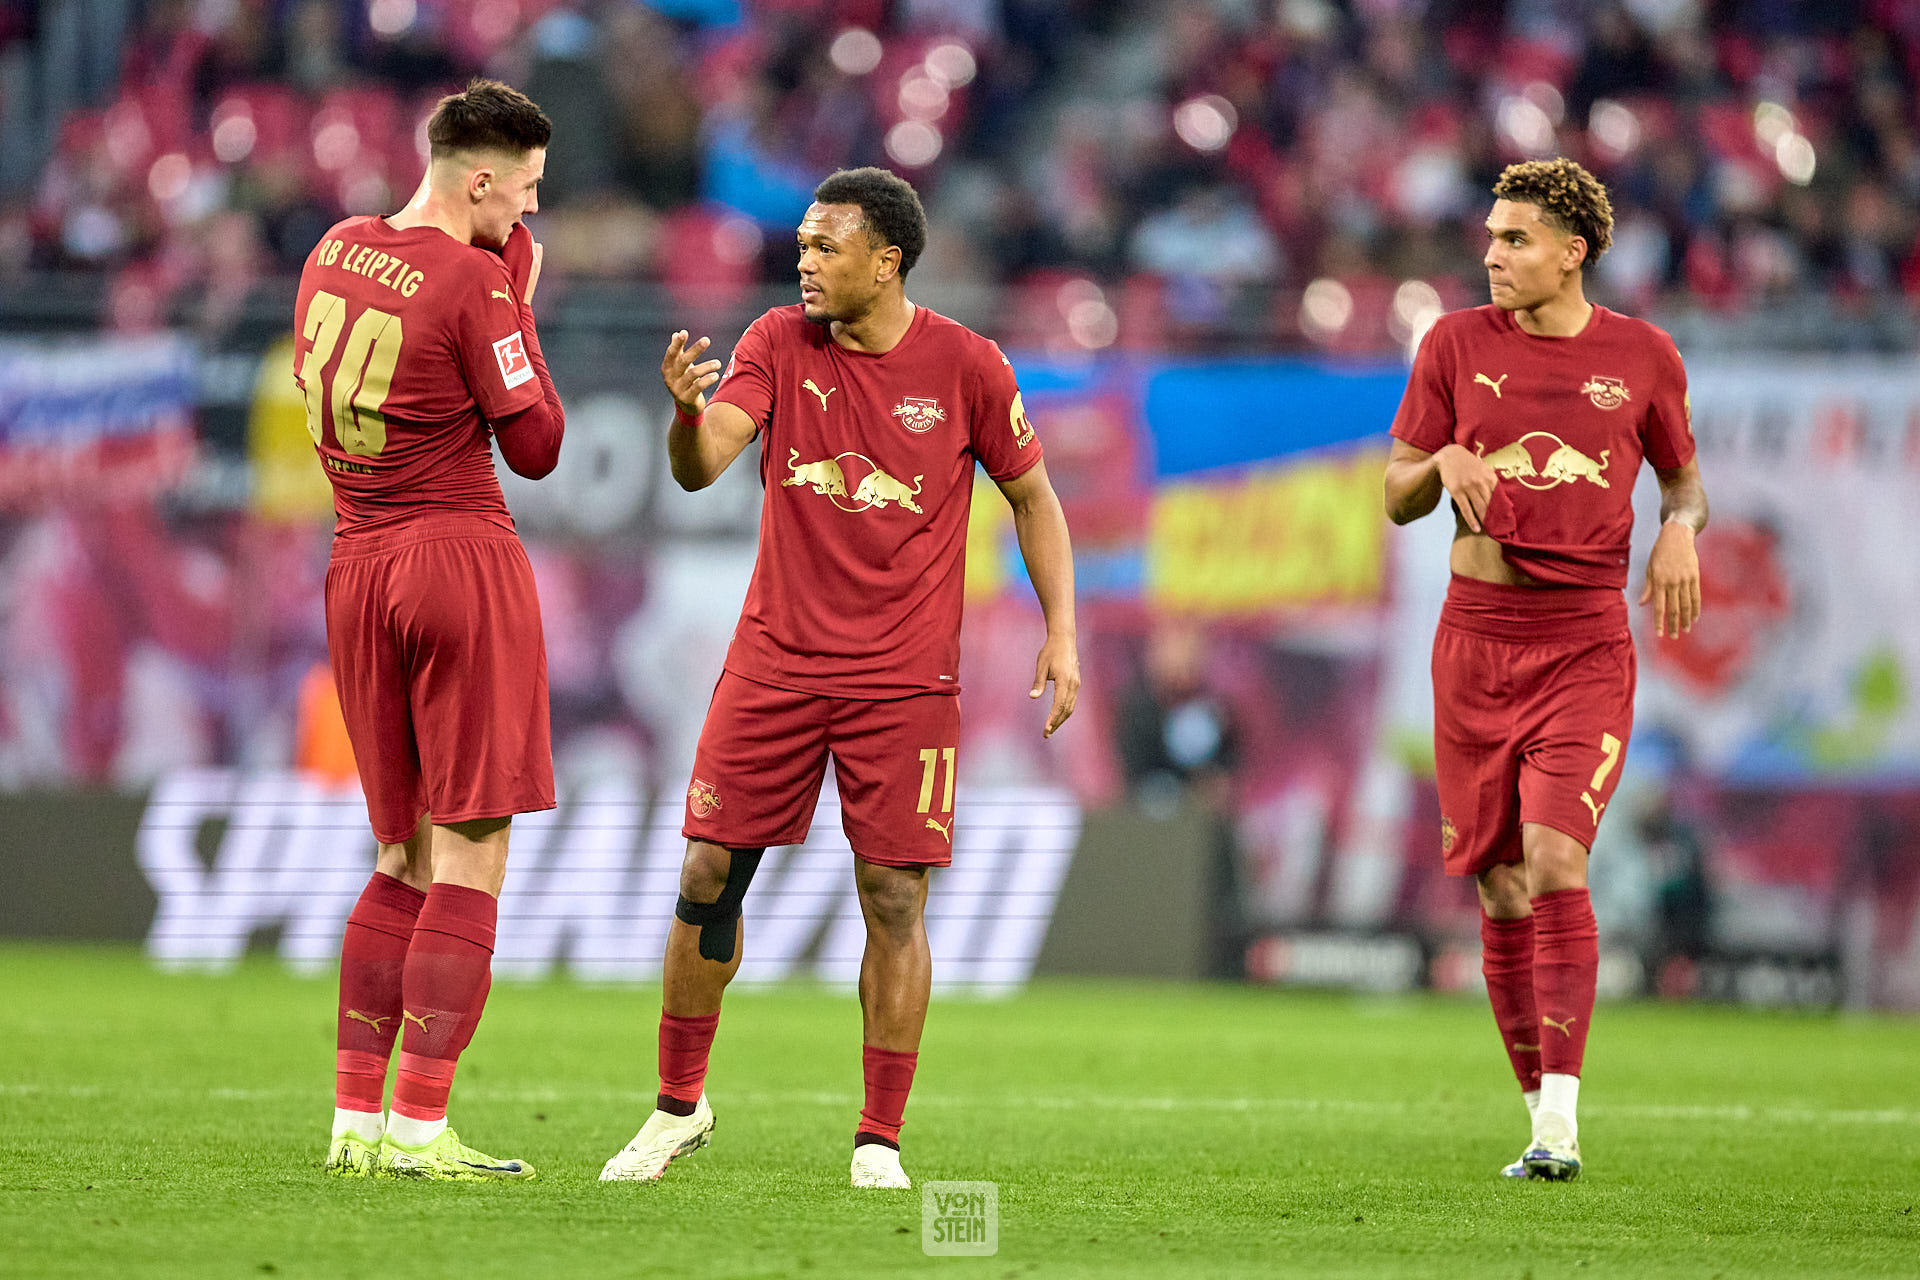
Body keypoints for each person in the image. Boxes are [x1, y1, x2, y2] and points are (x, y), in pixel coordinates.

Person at [599, 166, 1080, 1190]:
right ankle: (676, 1108)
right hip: (773, 665)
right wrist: (685, 417)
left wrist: (1062, 631)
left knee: (894, 896)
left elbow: (1034, 497)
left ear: (886, 261)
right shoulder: (778, 341)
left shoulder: (968, 364)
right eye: (802, 246)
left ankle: (878, 1138)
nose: (805, 263)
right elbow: (705, 461)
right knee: (705, 873)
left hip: (904, 680)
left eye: (826, 247)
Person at [1383, 158, 1708, 1181]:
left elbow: (1685, 485)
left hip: (1583, 645)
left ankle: (1561, 1123)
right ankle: (1537, 1114)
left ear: (1573, 252)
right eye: (1490, 236)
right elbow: (1395, 491)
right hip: (1475, 640)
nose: (1492, 254)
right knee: (1500, 887)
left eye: (1514, 239)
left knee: (1556, 860)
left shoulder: (1643, 356)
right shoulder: (1452, 343)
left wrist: (1679, 532)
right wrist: (1440, 464)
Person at [301, 79, 566, 1182]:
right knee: (470, 851)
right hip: (455, 557)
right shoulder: (474, 279)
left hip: (356, 565)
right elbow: (538, 446)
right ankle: (419, 1127)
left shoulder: (333, 248)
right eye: (527, 190)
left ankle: (354, 1124)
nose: (530, 212)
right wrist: (520, 303)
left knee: (399, 852)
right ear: (481, 178)